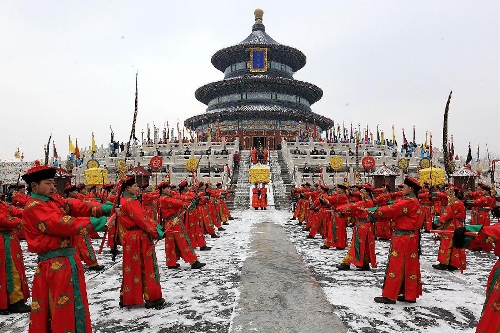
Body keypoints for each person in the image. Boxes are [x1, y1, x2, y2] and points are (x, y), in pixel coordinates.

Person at [21, 160, 111, 332]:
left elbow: (75, 205)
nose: (53, 187)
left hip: (67, 262)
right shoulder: (34, 206)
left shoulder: (51, 200)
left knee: (73, 305)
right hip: (54, 265)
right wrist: (96, 222)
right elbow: (61, 223)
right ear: (34, 185)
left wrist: (103, 209)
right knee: (61, 309)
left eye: (53, 183)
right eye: (48, 184)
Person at [371, 177, 423, 304]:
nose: (401, 189)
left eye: (404, 187)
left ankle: (390, 295)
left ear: (410, 189)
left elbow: (392, 209)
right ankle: (408, 294)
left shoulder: (409, 202)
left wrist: (374, 212)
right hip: (409, 238)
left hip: (403, 238)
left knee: (396, 264)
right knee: (408, 265)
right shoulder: (411, 200)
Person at [118, 175, 166, 309]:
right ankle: (152, 298)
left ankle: (126, 296)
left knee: (131, 268)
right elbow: (142, 220)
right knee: (147, 266)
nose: (137, 188)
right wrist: (156, 232)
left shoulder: (124, 200)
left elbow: (143, 218)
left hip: (130, 237)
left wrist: (156, 226)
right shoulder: (131, 202)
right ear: (128, 188)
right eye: (134, 186)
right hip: (139, 237)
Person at [0, 198, 30, 314]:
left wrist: (29, 212)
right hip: (3, 242)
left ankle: (9, 301)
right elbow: (4, 219)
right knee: (11, 271)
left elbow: (14, 210)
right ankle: (14, 301)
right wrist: (22, 222)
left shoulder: (2, 203)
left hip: (8, 240)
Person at [432, 184, 466, 272]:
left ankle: (444, 263)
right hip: (454, 224)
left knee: (447, 243)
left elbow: (447, 214)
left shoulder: (455, 203)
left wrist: (438, 222)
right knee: (454, 244)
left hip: (453, 225)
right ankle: (453, 263)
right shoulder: (455, 202)